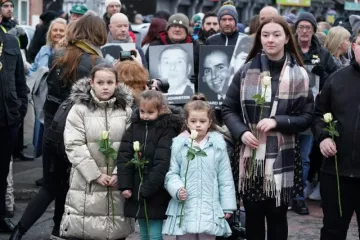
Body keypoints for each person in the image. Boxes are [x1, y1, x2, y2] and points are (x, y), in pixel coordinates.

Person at [10, 14, 109, 240]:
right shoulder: (99, 63)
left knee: (51, 187)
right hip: (79, 134)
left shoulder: (58, 55)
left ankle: (20, 231)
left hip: (53, 130)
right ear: (97, 32)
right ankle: (58, 230)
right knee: (70, 186)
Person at [222, 16, 314, 240]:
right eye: (265, 35)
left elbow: (307, 116)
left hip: (283, 156)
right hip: (250, 154)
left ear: (286, 38)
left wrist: (278, 121)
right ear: (259, 38)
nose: (270, 40)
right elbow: (227, 109)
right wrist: (241, 132)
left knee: (277, 216)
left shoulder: (299, 74)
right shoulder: (245, 72)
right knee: (252, 216)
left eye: (276, 35)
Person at [60, 64, 133, 239]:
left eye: (110, 82)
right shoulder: (79, 110)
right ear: (92, 83)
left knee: (116, 230)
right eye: (100, 82)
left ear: (117, 84)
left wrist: (120, 172)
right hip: (88, 182)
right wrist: (94, 174)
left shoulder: (126, 110)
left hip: (116, 182)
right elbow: (73, 144)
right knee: (88, 229)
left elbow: (131, 144)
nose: (105, 86)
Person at [163, 94, 236, 239]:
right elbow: (172, 174)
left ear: (209, 122)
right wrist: (177, 189)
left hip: (209, 208)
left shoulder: (217, 146)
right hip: (185, 207)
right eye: (193, 121)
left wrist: (227, 205)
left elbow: (225, 177)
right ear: (187, 122)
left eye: (202, 121)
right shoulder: (179, 144)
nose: (198, 125)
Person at [312, 28, 360, 240]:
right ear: (353, 47)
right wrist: (323, 137)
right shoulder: (336, 79)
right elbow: (318, 114)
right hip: (337, 172)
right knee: (333, 230)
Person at [117, 90, 183, 240]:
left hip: (155, 191)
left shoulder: (167, 129)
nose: (145, 116)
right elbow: (124, 156)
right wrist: (125, 185)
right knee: (143, 231)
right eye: (142, 111)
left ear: (161, 110)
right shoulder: (134, 127)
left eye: (150, 112)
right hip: (136, 187)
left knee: (154, 233)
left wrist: (147, 189)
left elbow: (162, 162)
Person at [292, 12, 338, 213]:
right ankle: (280, 195)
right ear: (296, 30)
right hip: (287, 110)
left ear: (313, 31)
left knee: (304, 157)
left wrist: (323, 75)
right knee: (282, 156)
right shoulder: (288, 49)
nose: (304, 31)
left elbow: (336, 79)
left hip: (310, 112)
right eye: (300, 27)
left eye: (308, 28)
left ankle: (298, 196)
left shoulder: (323, 54)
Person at [0, 16, 27, 233]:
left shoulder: (10, 42)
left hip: (7, 118)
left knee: (1, 172)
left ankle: (0, 214)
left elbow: (19, 80)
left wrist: (20, 109)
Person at [145, 13, 199, 90]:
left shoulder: (195, 46)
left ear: (187, 30)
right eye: (174, 26)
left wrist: (197, 77)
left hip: (188, 95)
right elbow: (145, 68)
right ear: (168, 29)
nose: (177, 29)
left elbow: (203, 71)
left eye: (181, 27)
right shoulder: (155, 45)